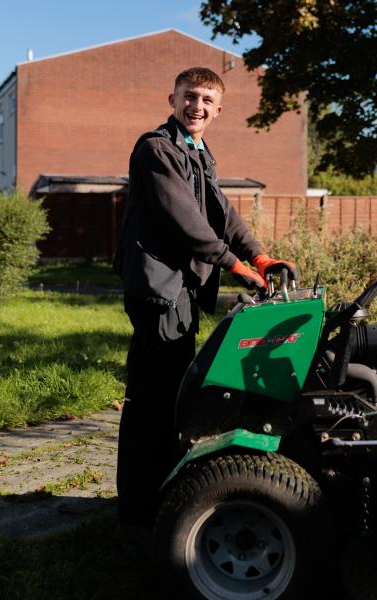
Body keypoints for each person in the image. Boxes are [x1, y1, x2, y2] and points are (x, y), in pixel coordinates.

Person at [113, 66, 298, 534]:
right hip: (159, 289)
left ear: (218, 109)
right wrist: (234, 266)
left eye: (207, 101)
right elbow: (186, 222)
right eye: (189, 97)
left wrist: (260, 257)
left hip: (183, 289)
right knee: (153, 399)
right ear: (171, 98)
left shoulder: (198, 152)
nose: (198, 106)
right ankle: (138, 512)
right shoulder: (157, 148)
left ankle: (162, 494)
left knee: (175, 393)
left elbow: (223, 214)